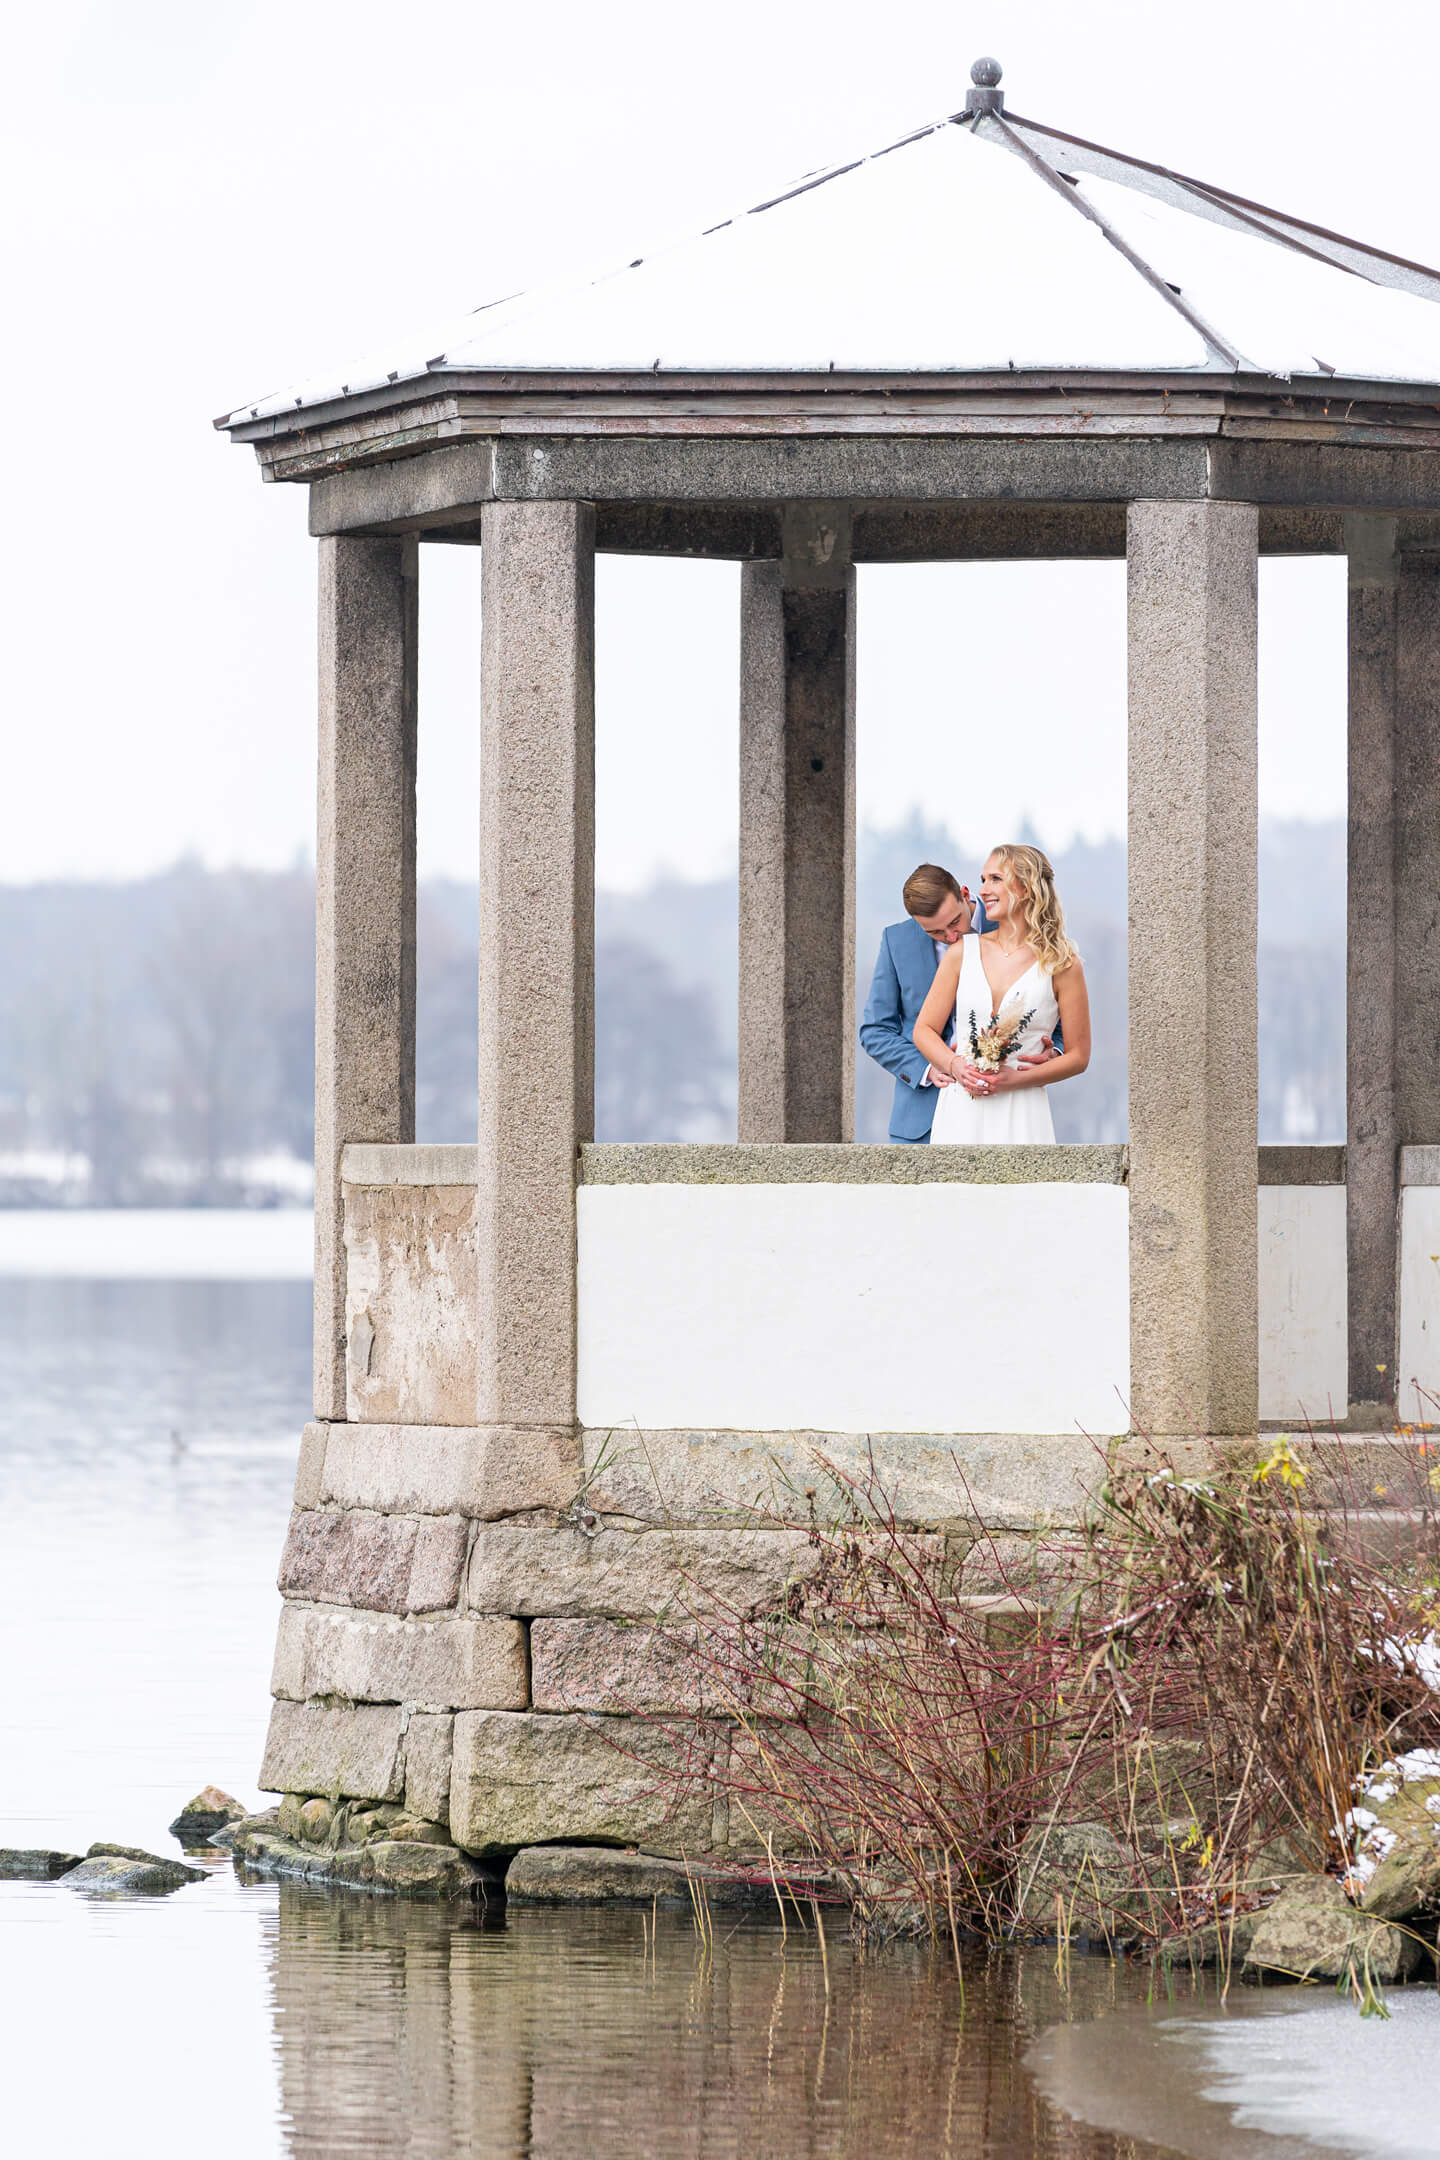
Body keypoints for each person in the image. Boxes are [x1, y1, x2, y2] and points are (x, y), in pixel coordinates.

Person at [915, 844, 1090, 1146]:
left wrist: (1016, 1080)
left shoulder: (1062, 964)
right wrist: (954, 1065)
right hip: (959, 1109)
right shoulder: (961, 954)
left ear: (1025, 887)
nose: (983, 891)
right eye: (983, 879)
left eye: (995, 878)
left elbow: (1079, 1056)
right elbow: (924, 1030)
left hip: (1022, 1111)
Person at [858, 862, 985, 1144]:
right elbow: (875, 1031)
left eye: (955, 922)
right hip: (920, 1122)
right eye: (936, 933)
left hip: (998, 1111)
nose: (952, 938)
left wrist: (1055, 1051)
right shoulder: (896, 941)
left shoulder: (1010, 926)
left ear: (964, 894)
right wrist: (925, 1067)